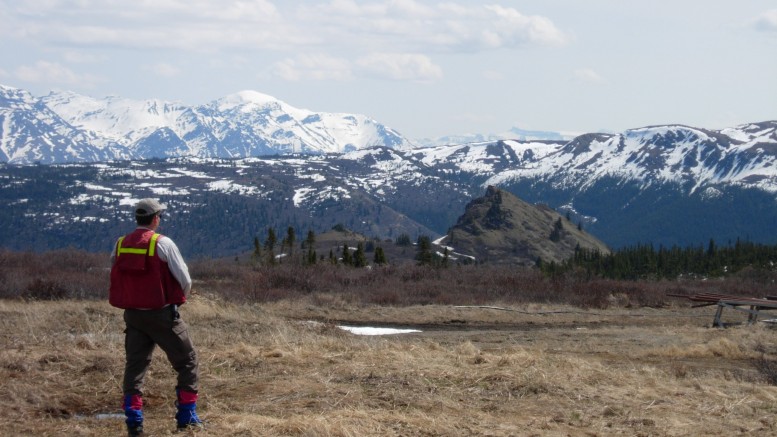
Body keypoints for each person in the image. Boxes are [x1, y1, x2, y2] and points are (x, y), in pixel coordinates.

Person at [109, 198, 203, 436]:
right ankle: (187, 418)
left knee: (135, 367)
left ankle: (134, 423)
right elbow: (185, 279)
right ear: (155, 219)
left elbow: (115, 269)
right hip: (162, 314)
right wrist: (179, 299)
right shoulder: (162, 243)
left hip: (133, 316)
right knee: (187, 361)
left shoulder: (120, 244)